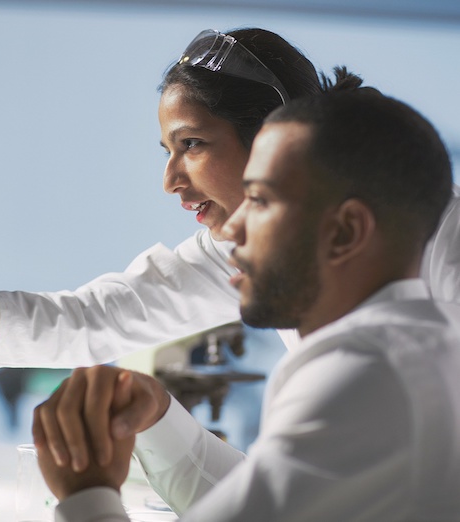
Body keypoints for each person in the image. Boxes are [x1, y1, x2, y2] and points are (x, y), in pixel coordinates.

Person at [0, 26, 458, 374]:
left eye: (193, 145)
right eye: (166, 151)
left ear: (273, 136)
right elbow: (93, 319)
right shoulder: (235, 250)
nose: (171, 180)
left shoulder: (435, 231)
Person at [32, 73, 460, 521]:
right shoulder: (423, 353)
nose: (232, 231)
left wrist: (87, 491)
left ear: (346, 230)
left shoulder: (364, 374)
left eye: (259, 200)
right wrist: (159, 419)